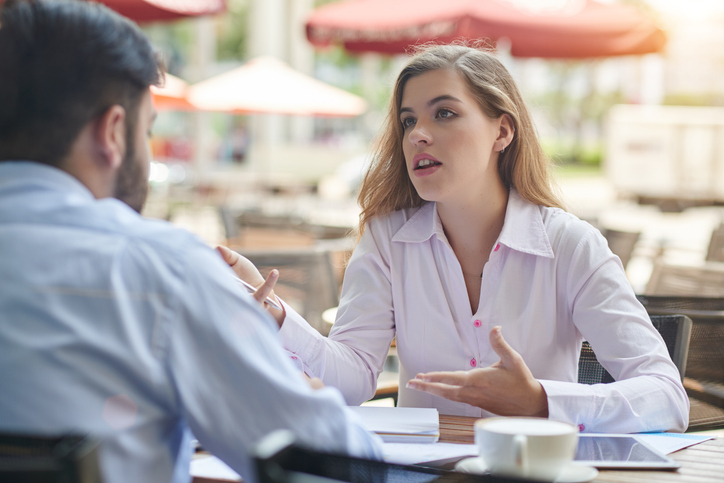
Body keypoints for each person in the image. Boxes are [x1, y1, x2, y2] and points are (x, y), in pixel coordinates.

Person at [0, 2, 380, 483]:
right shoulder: (162, 274)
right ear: (113, 132)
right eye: (149, 130)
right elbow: (341, 465)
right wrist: (282, 380)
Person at [226, 44, 689, 434]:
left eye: (444, 113)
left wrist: (540, 402)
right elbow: (353, 379)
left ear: (502, 131)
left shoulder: (571, 246)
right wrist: (277, 315)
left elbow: (667, 397)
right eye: (408, 121)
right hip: (418, 474)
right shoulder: (388, 240)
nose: (418, 135)